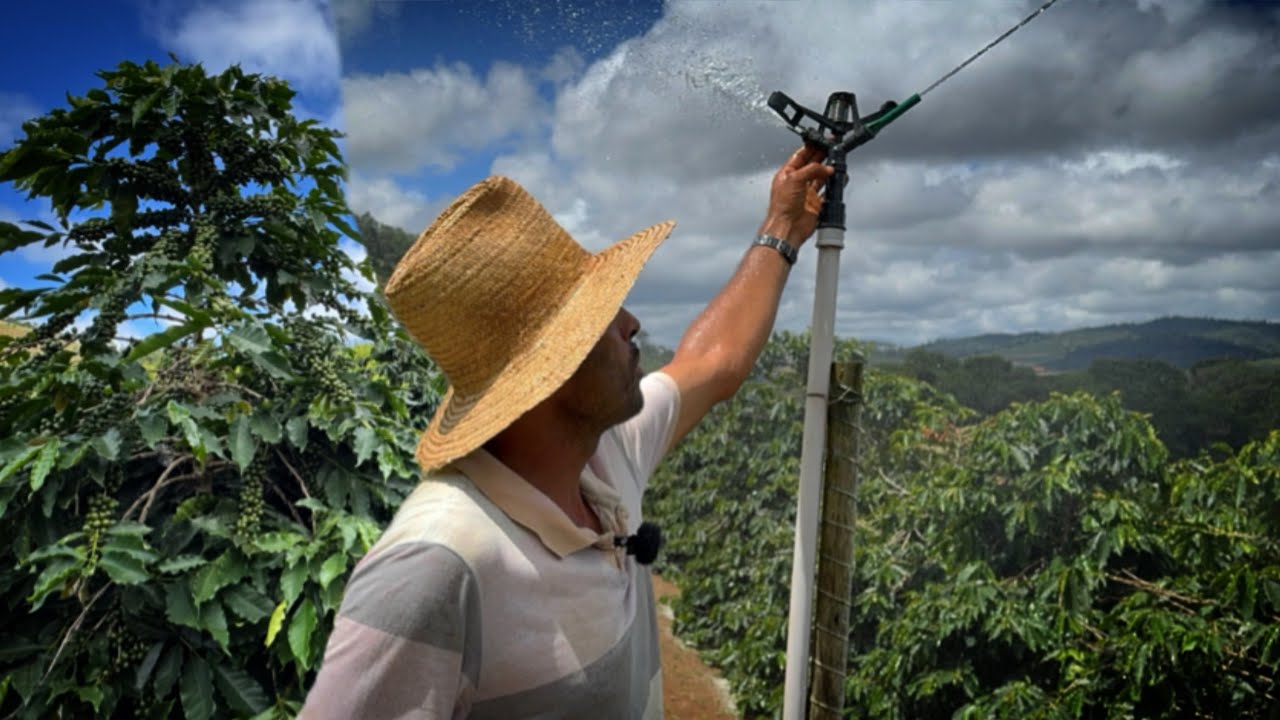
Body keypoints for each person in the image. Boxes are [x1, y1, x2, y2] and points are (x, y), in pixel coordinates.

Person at [299, 145, 833, 719]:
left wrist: (782, 227)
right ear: (547, 373)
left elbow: (714, 363)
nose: (632, 323)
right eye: (601, 317)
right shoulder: (436, 567)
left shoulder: (603, 456)